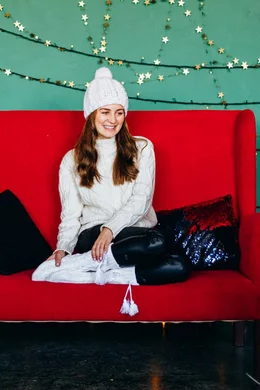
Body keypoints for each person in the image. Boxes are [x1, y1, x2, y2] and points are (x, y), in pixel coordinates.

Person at [32, 67, 189, 288]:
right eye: (105, 111)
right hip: (93, 235)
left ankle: (99, 274)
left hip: (134, 232)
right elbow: (71, 214)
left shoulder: (142, 148)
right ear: (91, 114)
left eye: (119, 112)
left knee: (179, 264)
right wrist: (63, 247)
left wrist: (111, 230)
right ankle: (82, 260)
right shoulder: (72, 159)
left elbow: (141, 200)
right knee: (158, 242)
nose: (112, 120)